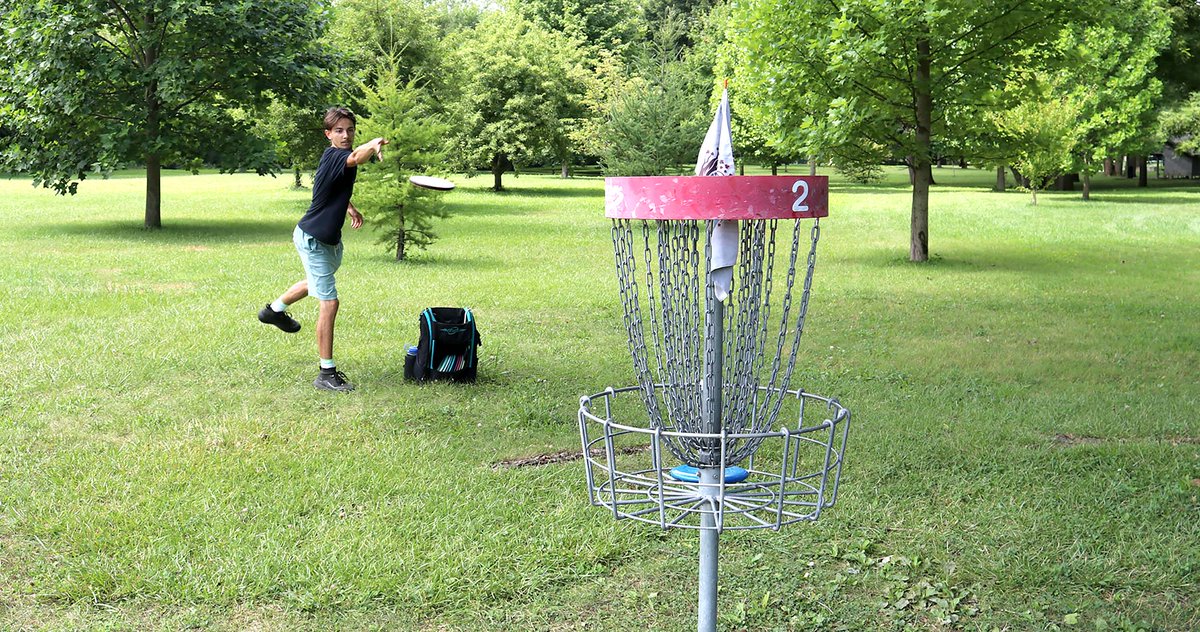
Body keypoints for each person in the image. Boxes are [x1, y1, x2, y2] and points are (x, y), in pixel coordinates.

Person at [258, 107, 387, 392]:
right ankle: (325, 374)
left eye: (350, 130)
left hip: (325, 239)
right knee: (329, 302)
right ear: (328, 134)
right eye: (339, 131)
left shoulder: (336, 160)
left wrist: (349, 207)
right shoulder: (338, 155)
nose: (345, 135)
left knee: (314, 283)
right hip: (314, 238)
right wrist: (372, 144)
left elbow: (330, 188)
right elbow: (356, 157)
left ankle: (273, 311)